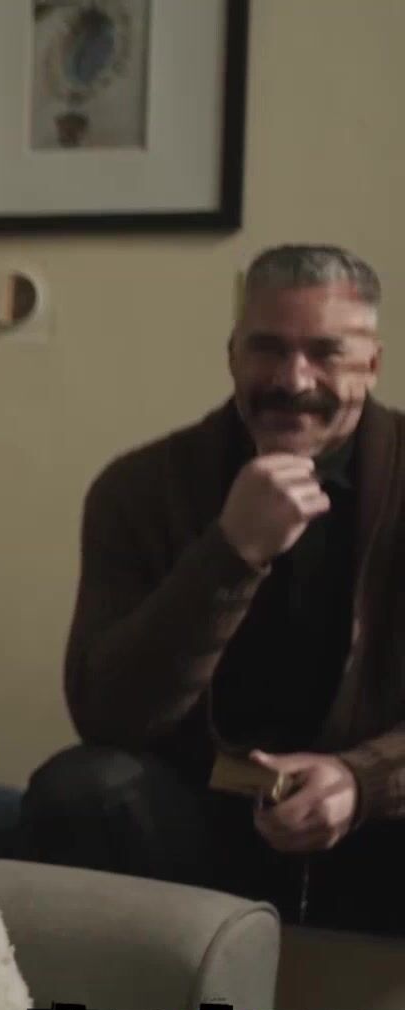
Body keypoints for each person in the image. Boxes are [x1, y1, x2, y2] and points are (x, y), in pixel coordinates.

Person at [23, 244, 404, 936]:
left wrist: (361, 782)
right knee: (78, 790)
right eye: (268, 349)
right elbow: (108, 717)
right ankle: (154, 1009)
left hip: (376, 826)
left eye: (326, 353)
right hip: (201, 819)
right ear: (232, 355)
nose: (292, 379)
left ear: (372, 364)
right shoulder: (138, 489)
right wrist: (232, 553)